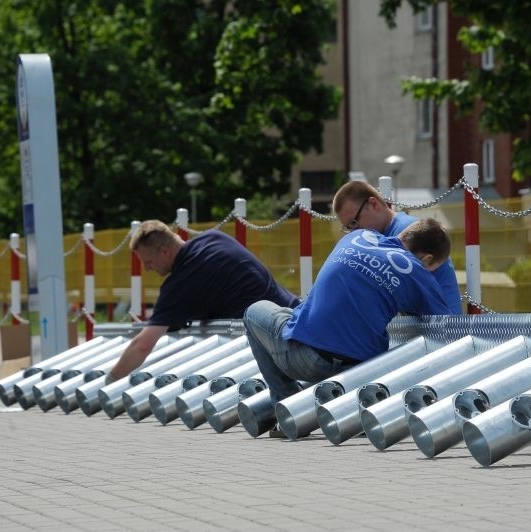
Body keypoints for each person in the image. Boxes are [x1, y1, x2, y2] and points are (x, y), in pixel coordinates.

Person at [243, 218, 454, 433]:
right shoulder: (417, 273)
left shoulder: (357, 236)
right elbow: (446, 330)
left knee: (255, 311)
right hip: (362, 374)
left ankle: (288, 409)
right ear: (427, 258)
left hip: (305, 358)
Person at [106, 220, 300, 383]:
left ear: (164, 251)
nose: (148, 269)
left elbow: (142, 346)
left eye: (148, 262)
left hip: (274, 345)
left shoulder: (181, 282)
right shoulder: (215, 238)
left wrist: (109, 382)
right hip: (294, 314)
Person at [332, 180, 463, 314]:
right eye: (348, 228)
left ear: (374, 204)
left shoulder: (405, 237)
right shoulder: (401, 232)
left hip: (441, 327)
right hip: (436, 324)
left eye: (354, 222)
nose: (354, 232)